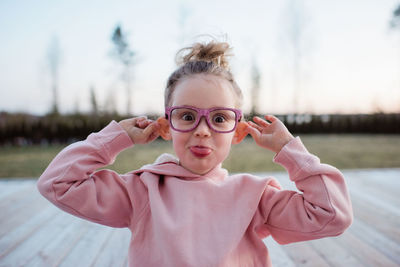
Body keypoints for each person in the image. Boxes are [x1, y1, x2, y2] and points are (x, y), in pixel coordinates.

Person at [37, 40, 353, 267]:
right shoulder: (143, 192)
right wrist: (114, 139)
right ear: (166, 126)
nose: (203, 130)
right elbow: (57, 183)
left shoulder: (254, 197)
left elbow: (332, 215)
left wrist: (289, 150)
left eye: (219, 119)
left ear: (239, 130)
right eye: (187, 116)